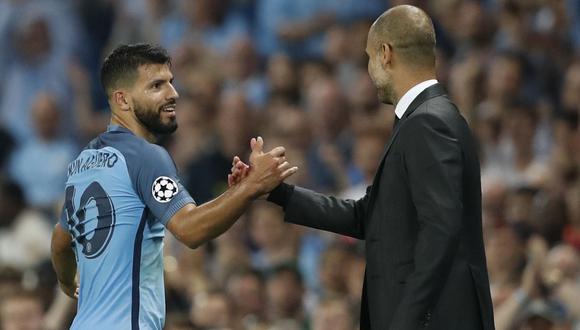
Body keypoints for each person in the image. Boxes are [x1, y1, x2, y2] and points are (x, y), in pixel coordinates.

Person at [231, 5, 494, 329]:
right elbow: (370, 217)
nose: (368, 71)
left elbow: (441, 230)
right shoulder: (427, 119)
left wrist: (407, 319)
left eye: (369, 58)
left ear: (385, 54)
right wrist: (276, 192)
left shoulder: (428, 122)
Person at [50, 43, 297, 330]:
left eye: (170, 82)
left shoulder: (84, 163)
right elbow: (190, 230)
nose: (173, 94)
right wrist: (253, 186)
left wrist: (70, 283)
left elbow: (59, 244)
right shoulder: (146, 157)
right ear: (123, 100)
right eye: (157, 86)